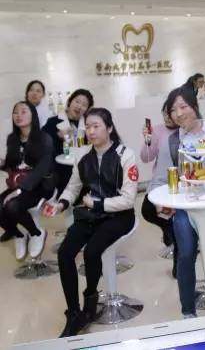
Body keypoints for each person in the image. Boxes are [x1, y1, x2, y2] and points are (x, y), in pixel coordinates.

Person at [149, 87, 205, 333]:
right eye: (173, 110)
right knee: (186, 255)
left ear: (194, 105)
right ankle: (188, 313)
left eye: (183, 106)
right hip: (186, 209)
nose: (178, 114)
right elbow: (160, 179)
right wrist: (161, 203)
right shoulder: (172, 141)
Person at [48, 108, 138, 337]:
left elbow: (128, 200)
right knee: (65, 253)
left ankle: (90, 303)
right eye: (87, 126)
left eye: (96, 126)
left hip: (119, 216)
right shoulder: (82, 155)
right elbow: (73, 187)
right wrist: (61, 204)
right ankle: (74, 312)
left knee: (92, 252)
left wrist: (98, 204)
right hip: (90, 215)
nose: (91, 131)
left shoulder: (125, 155)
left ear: (109, 128)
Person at [0, 102, 54, 259]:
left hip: (39, 185)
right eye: (15, 112)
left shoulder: (44, 138)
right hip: (18, 183)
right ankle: (19, 234)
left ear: (33, 115)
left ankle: (36, 233)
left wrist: (19, 190)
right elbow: (12, 165)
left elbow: (42, 169)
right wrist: (2, 164)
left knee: (12, 206)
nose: (19, 115)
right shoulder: (12, 139)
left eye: (23, 111)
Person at [140, 100, 179, 259]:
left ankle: (177, 245)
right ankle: (169, 230)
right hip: (159, 182)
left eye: (170, 113)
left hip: (179, 184)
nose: (167, 117)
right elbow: (146, 158)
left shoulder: (185, 130)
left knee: (177, 218)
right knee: (147, 210)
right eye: (164, 113)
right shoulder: (157, 130)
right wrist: (147, 140)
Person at [42, 89, 94, 195]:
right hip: (59, 172)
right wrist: (56, 136)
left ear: (87, 109)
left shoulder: (88, 126)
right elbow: (40, 144)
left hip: (82, 171)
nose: (79, 106)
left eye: (84, 105)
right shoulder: (53, 122)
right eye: (77, 101)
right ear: (70, 102)